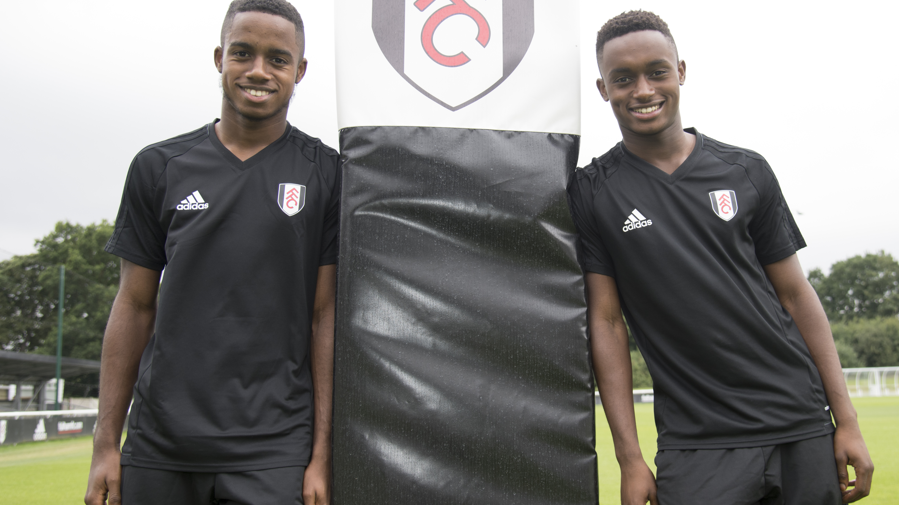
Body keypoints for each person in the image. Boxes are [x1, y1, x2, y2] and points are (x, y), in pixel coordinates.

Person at [567, 10, 873, 505]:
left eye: (657, 71)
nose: (642, 89)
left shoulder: (746, 170)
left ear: (681, 72)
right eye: (623, 79)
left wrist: (848, 422)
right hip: (697, 442)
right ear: (604, 89)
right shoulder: (592, 192)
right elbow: (606, 322)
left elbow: (796, 296)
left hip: (800, 422)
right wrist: (630, 458)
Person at [84, 1, 339, 503]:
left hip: (275, 450)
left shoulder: (327, 174)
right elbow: (134, 306)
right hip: (160, 445)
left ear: (300, 71)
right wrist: (104, 444)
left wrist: (322, 454)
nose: (259, 71)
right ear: (220, 58)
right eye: (243, 53)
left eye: (278, 59)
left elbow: (323, 315)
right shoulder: (159, 166)